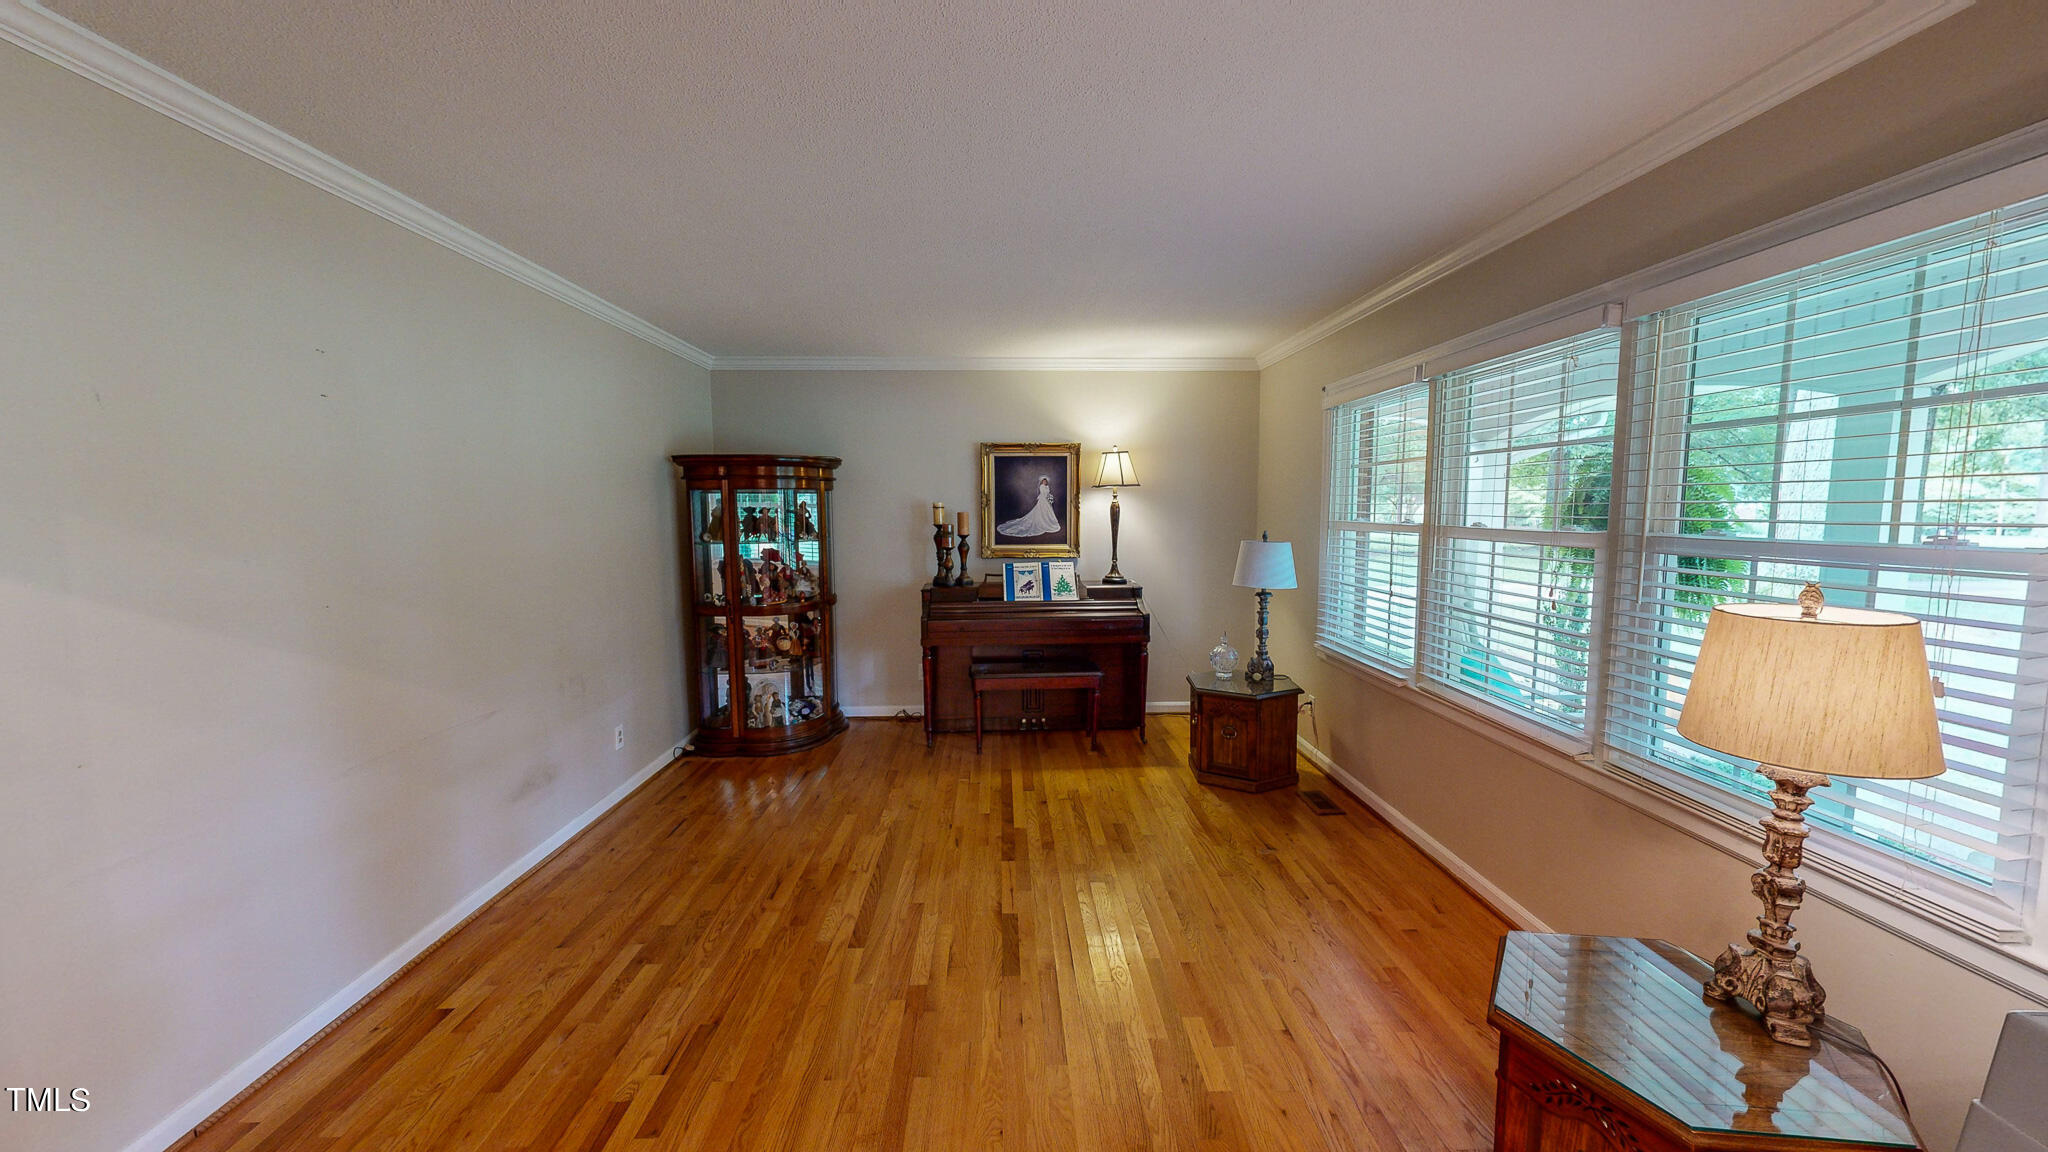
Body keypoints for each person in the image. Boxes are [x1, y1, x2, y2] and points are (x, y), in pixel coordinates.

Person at [997, 474, 1062, 538]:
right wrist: (1048, 497)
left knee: (1048, 511)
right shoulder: (1041, 486)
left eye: (1045, 481)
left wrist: (1050, 497)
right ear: (1042, 482)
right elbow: (1043, 493)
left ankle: (1048, 522)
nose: (1044, 482)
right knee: (1041, 511)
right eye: (1043, 481)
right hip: (1043, 500)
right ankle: (1041, 522)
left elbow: (1048, 493)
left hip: (1046, 500)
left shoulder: (1047, 486)